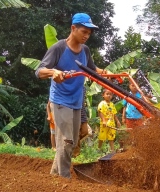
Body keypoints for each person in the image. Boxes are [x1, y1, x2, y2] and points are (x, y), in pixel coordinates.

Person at [35, 13, 109, 178]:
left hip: (76, 101)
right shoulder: (59, 48)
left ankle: (54, 175)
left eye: (89, 33)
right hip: (61, 100)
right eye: (84, 31)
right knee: (67, 141)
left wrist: (106, 74)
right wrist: (53, 72)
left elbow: (92, 70)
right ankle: (64, 179)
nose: (86, 36)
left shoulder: (85, 50)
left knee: (72, 142)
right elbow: (39, 71)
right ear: (73, 28)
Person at [73, 86, 89, 157]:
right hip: (75, 112)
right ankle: (76, 153)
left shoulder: (83, 88)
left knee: (85, 132)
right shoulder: (73, 87)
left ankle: (73, 146)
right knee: (76, 134)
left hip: (82, 113)